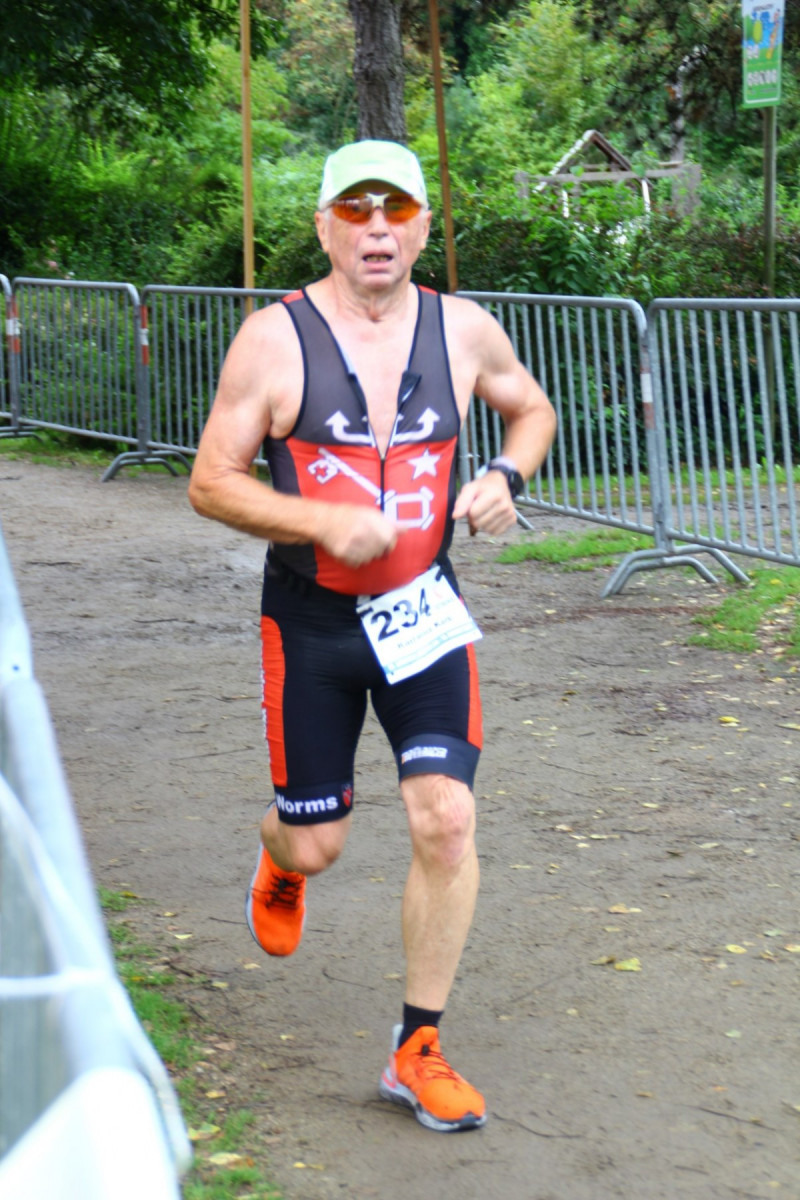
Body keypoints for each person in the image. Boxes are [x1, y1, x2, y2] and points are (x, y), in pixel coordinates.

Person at [189, 139, 557, 1133]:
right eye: (355, 210)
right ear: (324, 228)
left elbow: (530, 409)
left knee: (445, 819)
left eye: (395, 210)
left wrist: (506, 477)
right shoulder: (272, 340)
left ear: (423, 227)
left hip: (422, 616)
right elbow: (210, 481)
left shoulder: (463, 329)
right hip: (310, 622)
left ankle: (416, 1048)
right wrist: (319, 521)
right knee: (319, 843)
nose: (377, 228)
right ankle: (280, 855)